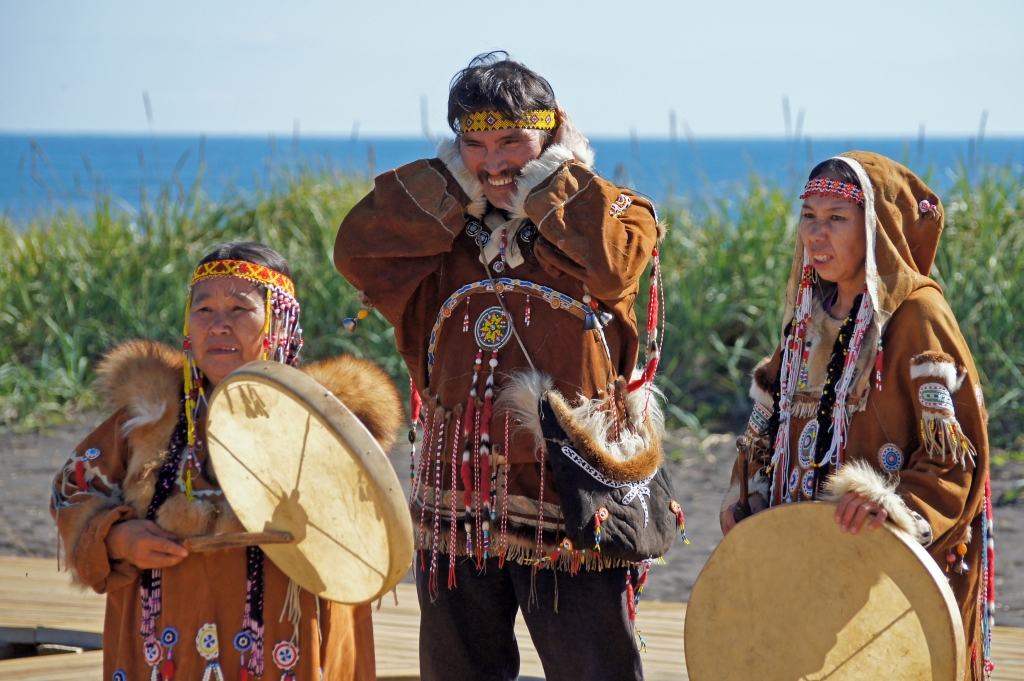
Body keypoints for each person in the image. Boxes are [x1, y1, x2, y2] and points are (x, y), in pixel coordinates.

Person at [334, 52, 664, 681]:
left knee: (593, 667)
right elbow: (356, 252)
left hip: (572, 488)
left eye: (513, 141)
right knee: (459, 668)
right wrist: (451, 183)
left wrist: (551, 181)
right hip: (459, 488)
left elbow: (616, 266)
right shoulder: (443, 231)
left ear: (552, 133)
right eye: (475, 145)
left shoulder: (615, 212)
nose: (494, 162)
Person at [50, 242, 403, 681]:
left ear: (280, 322)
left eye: (239, 309)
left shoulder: (325, 421)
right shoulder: (147, 415)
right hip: (163, 644)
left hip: (286, 637)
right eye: (204, 310)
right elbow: (73, 487)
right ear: (188, 324)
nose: (218, 325)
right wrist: (118, 538)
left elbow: (366, 532)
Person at [721, 153, 994, 678]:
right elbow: (768, 428)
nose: (815, 236)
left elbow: (956, 461)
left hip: (886, 575)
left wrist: (892, 507)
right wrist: (747, 495)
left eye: (836, 219)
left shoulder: (917, 315)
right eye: (808, 216)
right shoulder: (807, 316)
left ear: (877, 229)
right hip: (805, 564)